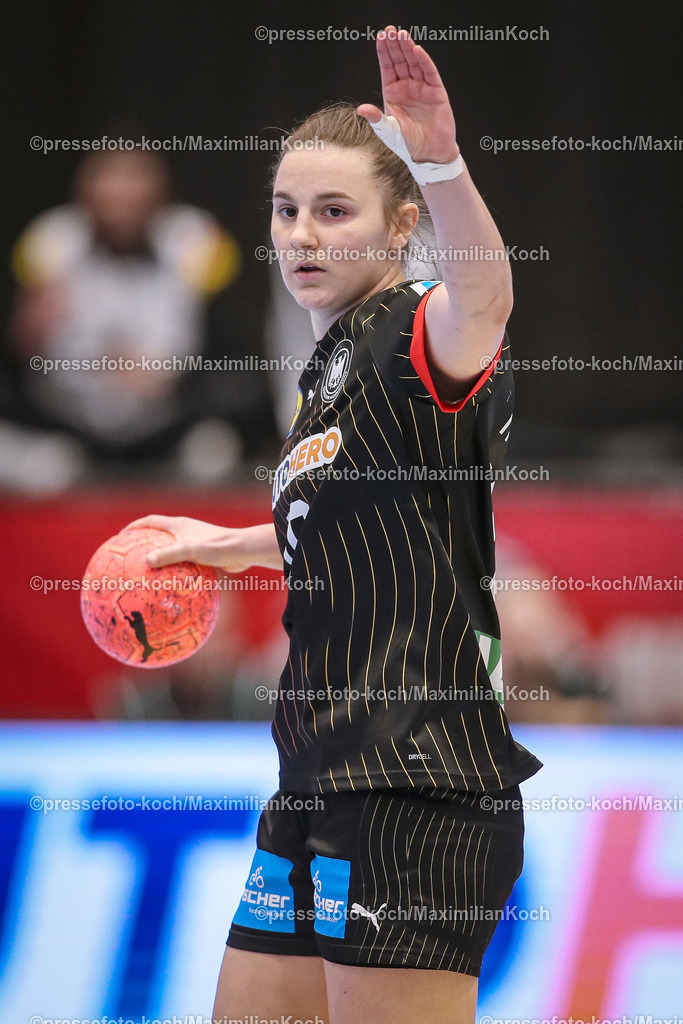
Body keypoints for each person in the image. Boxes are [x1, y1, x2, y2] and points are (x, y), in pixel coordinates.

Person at [128, 27, 542, 1024]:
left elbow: (483, 298)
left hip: (415, 782)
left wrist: (438, 162)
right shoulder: (325, 375)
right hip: (313, 777)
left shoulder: (410, 331)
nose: (301, 234)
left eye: (332, 211)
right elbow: (352, 526)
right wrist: (218, 545)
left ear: (398, 227)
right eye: (285, 211)